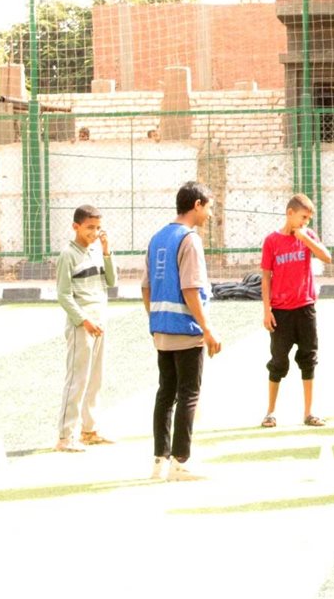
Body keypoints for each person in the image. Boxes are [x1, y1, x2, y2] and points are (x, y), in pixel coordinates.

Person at [142, 181, 222, 481]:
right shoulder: (190, 240)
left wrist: (155, 321)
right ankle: (180, 462)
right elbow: (190, 289)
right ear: (197, 205)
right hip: (187, 330)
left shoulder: (157, 238)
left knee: (165, 394)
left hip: (162, 330)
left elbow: (146, 287)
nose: (210, 214)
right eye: (209, 207)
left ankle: (159, 461)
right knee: (189, 394)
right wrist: (208, 328)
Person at [260, 194, 332, 429]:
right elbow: (266, 277)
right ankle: (270, 411)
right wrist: (267, 310)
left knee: (308, 359)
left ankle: (309, 412)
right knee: (278, 362)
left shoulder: (307, 236)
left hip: (305, 308)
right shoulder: (271, 241)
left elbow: (327, 257)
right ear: (290, 213)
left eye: (308, 219)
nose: (305, 222)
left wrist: (306, 238)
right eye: (302, 217)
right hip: (281, 311)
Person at [54, 204, 117, 452]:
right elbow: (63, 295)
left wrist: (107, 252)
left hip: (100, 323)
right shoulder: (67, 255)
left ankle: (89, 431)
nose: (95, 232)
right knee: (77, 380)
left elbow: (111, 281)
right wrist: (84, 320)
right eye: (90, 227)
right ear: (76, 226)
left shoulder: (97, 251)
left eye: (98, 227)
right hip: (82, 326)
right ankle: (65, 437)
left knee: (95, 380)